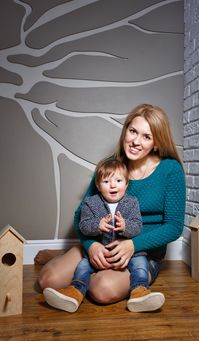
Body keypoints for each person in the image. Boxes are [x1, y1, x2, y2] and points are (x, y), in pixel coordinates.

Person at [36, 103, 186, 312]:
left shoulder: (170, 169)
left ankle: (64, 257)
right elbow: (82, 213)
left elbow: (174, 226)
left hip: (142, 254)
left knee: (101, 289)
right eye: (133, 131)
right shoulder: (110, 167)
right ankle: (67, 257)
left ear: (157, 143)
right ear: (125, 130)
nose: (135, 141)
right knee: (47, 281)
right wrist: (91, 246)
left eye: (146, 136)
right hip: (101, 243)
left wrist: (133, 244)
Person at [43, 158, 164, 312]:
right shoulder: (91, 203)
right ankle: (75, 291)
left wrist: (126, 227)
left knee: (140, 264)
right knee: (83, 266)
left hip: (129, 252)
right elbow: (83, 226)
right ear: (98, 186)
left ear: (126, 184)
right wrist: (97, 226)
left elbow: (137, 226)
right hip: (101, 250)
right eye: (106, 182)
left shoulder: (132, 202)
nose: (113, 185)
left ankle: (139, 292)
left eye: (118, 180)